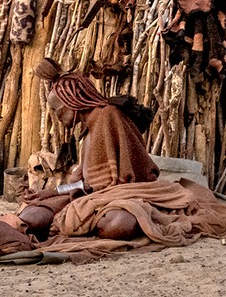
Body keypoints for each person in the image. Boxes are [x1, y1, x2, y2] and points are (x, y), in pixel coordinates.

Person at [16, 61, 158, 240]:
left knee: (117, 224)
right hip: (91, 197)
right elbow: (85, 184)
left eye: (57, 110)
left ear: (71, 102)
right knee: (31, 217)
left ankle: (82, 225)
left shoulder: (106, 116)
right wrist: (51, 193)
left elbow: (98, 185)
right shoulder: (89, 129)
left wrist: (55, 192)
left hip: (118, 194)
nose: (56, 117)